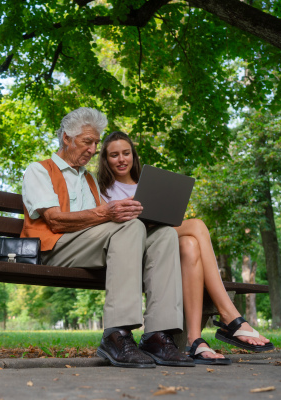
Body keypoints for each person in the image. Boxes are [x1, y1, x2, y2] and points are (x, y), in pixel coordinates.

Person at [21, 107, 194, 368]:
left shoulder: (89, 179)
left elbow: (107, 221)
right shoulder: (39, 170)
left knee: (165, 235)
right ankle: (116, 334)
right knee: (131, 228)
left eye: (95, 143)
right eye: (86, 142)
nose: (92, 150)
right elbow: (55, 220)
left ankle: (158, 336)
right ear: (67, 138)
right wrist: (108, 212)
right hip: (55, 247)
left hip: (89, 246)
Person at [97, 131, 274, 365]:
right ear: (105, 160)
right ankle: (231, 317)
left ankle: (194, 340)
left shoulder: (148, 186)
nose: (121, 159)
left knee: (190, 245)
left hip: (160, 244)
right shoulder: (102, 190)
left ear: (134, 156)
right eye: (114, 155)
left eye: (126, 153)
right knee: (198, 225)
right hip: (130, 251)